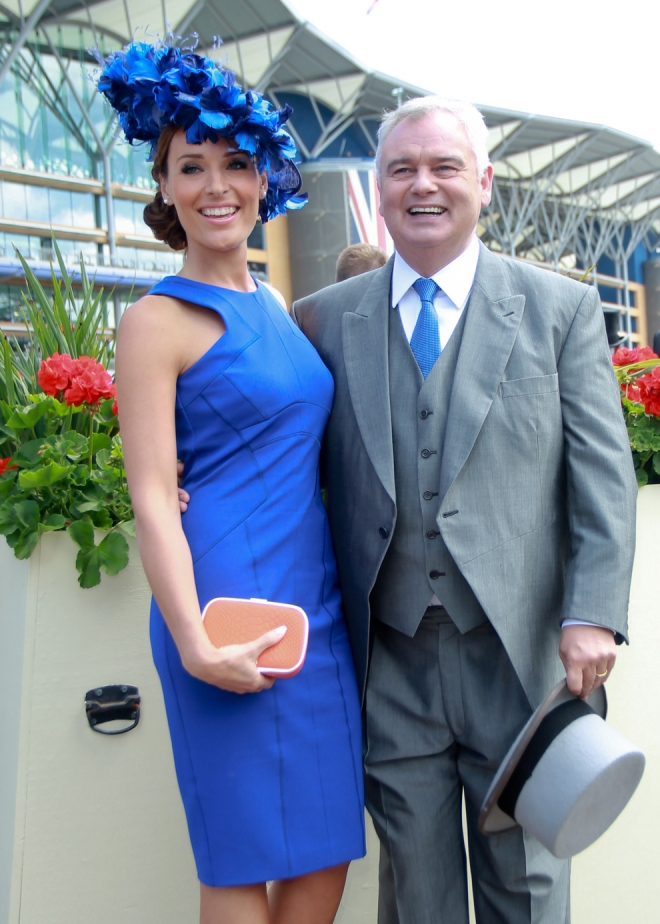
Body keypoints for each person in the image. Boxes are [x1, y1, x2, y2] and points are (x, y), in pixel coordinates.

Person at [291, 97, 637, 924]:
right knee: (416, 894)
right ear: (378, 191)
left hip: (518, 656)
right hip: (391, 662)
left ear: (482, 182)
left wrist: (593, 611)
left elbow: (603, 476)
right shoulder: (324, 319)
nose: (424, 185)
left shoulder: (560, 309)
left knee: (526, 882)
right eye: (402, 169)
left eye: (444, 167)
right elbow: (292, 464)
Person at [98, 42, 365, 924]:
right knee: (240, 863)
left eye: (236, 164)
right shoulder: (155, 320)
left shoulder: (282, 308)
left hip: (312, 609)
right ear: (166, 187)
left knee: (328, 854)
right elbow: (149, 493)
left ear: (264, 181)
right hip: (217, 605)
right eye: (192, 166)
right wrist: (191, 640)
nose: (218, 185)